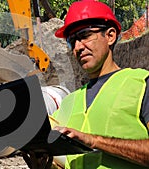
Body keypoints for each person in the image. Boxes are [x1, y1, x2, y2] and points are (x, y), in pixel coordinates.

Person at [23, 0, 149, 168]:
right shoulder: (69, 102)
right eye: (72, 41)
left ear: (110, 36)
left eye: (84, 36)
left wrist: (93, 140)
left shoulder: (140, 84)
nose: (77, 47)